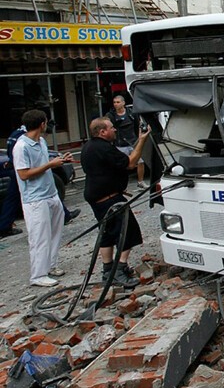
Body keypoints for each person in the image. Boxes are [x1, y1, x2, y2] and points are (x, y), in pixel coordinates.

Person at [81, 117, 150, 288]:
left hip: (98, 197)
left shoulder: (88, 146)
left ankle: (107, 270)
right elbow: (131, 163)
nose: (115, 130)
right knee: (128, 231)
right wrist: (142, 140)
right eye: (112, 128)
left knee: (106, 233)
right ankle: (119, 269)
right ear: (102, 132)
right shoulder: (103, 148)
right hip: (109, 199)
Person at [12, 110, 72, 287]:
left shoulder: (42, 141)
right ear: (42, 124)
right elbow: (23, 174)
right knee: (39, 237)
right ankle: (37, 275)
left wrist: (59, 160)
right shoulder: (21, 147)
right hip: (35, 199)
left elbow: (45, 164)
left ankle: (51, 265)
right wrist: (50, 165)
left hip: (51, 193)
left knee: (55, 232)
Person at [2, 127, 80, 236]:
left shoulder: (16, 134)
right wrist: (50, 164)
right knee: (16, 197)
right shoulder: (24, 140)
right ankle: (4, 226)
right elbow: (26, 169)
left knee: (13, 197)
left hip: (20, 170)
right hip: (25, 175)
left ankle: (65, 215)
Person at [108, 93, 146, 190]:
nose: (116, 104)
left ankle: (140, 182)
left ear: (123, 103)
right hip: (120, 144)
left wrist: (139, 138)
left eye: (118, 102)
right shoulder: (111, 115)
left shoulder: (131, 113)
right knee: (122, 166)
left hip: (133, 142)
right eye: (114, 102)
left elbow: (137, 125)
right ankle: (122, 186)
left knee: (140, 162)